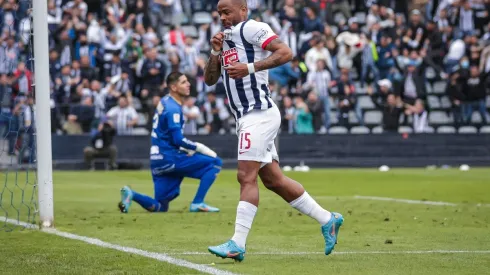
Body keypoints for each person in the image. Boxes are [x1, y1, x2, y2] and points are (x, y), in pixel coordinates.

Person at [203, 0, 343, 262]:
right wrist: (214, 53)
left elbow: (286, 53)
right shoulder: (225, 39)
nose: (222, 16)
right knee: (273, 181)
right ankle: (328, 219)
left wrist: (250, 67)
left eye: (227, 11)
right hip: (245, 118)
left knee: (246, 176)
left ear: (243, 10)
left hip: (259, 114)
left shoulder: (252, 27)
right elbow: (210, 80)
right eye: (219, 12)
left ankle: (237, 243)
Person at [118, 72, 222, 213]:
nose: (188, 84)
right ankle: (198, 202)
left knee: (160, 207)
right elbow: (177, 139)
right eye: (183, 82)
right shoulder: (173, 109)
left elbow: (166, 134)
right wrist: (199, 147)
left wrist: (185, 150)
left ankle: (132, 194)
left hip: (157, 160)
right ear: (173, 87)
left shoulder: (165, 101)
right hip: (170, 158)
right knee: (215, 162)